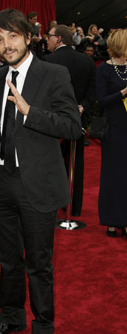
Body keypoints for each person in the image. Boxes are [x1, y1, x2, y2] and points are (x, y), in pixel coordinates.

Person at [0, 9, 81, 334]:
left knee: (38, 264)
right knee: (8, 259)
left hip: (36, 185)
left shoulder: (54, 74)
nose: (6, 45)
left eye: (12, 36)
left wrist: (29, 111)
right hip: (2, 182)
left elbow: (73, 127)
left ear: (28, 36)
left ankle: (42, 330)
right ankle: (11, 316)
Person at [45, 25, 96, 217]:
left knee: (49, 162)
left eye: (49, 36)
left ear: (58, 39)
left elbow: (44, 95)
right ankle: (73, 207)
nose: (46, 40)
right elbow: (92, 92)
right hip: (78, 120)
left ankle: (51, 205)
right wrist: (81, 108)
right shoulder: (87, 61)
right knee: (76, 162)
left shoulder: (48, 61)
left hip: (52, 123)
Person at [96, 28, 127, 238]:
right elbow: (102, 101)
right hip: (114, 129)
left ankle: (124, 220)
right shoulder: (104, 70)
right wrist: (123, 92)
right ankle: (110, 220)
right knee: (112, 175)